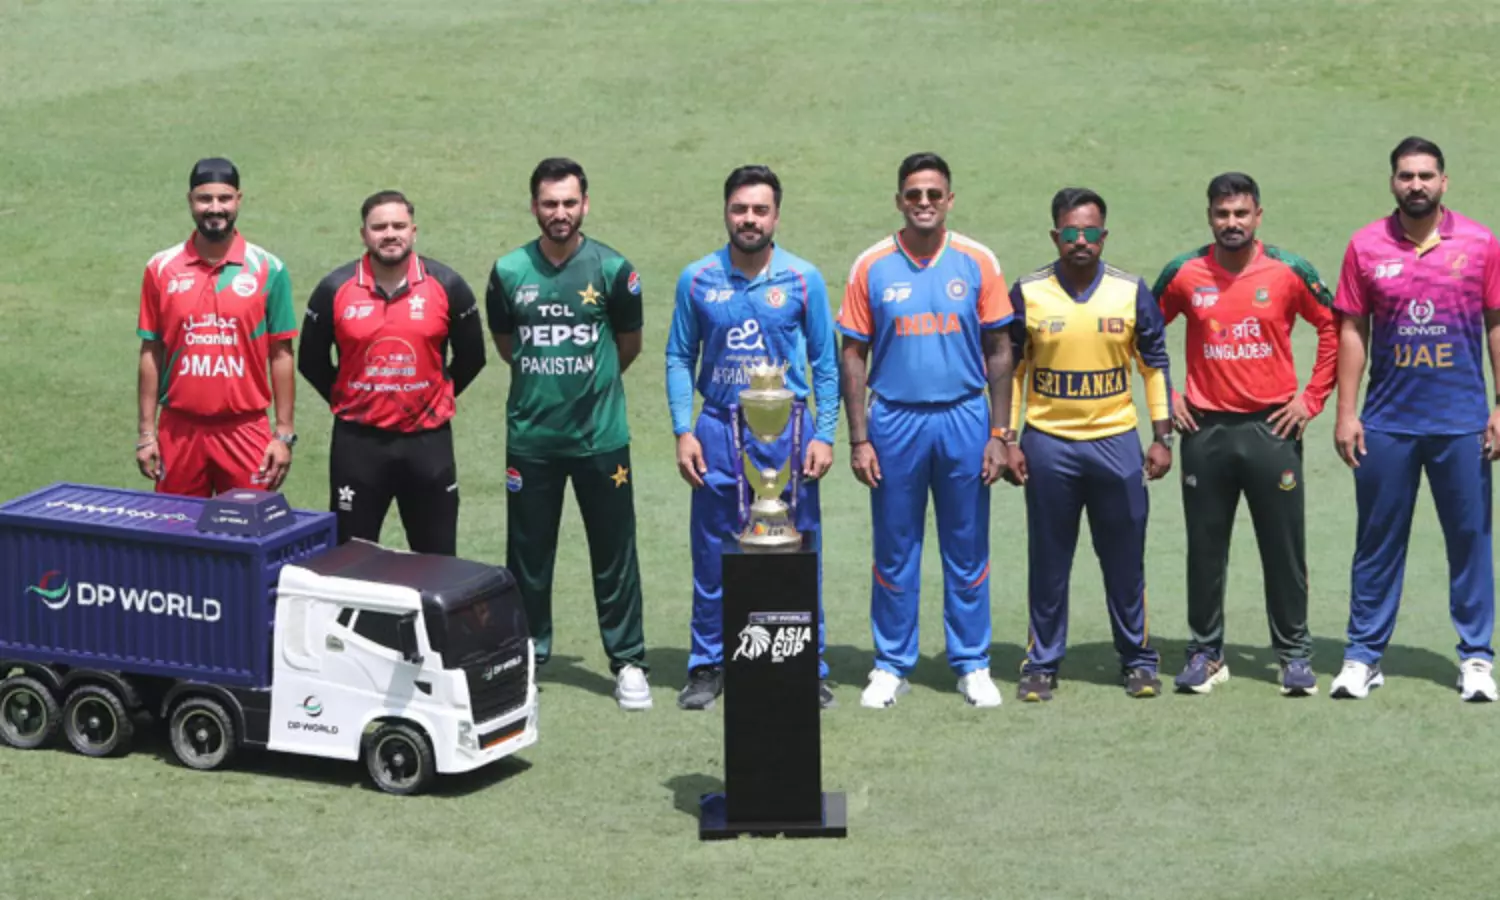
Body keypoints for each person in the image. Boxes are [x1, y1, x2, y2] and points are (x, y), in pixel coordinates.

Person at [836, 152, 1013, 710]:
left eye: (934, 194)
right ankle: (891, 664)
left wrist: (1001, 433)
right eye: (914, 194)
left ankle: (972, 663)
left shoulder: (977, 260)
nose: (924, 203)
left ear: (950, 200)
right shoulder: (872, 265)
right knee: (895, 548)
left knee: (967, 546)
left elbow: (1000, 348)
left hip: (964, 417)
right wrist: (859, 439)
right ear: (899, 201)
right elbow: (852, 354)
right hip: (894, 421)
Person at [1152, 172, 1338, 697]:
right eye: (1221, 214)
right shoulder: (1184, 273)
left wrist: (1310, 400)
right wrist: (1169, 395)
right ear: (1209, 216)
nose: (1231, 223)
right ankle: (1206, 653)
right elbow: (1143, 332)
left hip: (1271, 430)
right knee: (1205, 548)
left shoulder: (1288, 270)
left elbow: (1333, 326)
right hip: (1205, 431)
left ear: (1258, 215)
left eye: (1240, 213)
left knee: (1283, 548)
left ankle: (1294, 656)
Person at [1331, 136, 1500, 702]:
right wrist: (1347, 413)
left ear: (1444, 182)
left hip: (1462, 422)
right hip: (1387, 423)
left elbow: (1497, 324)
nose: (1417, 185)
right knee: (1377, 542)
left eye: (1426, 175)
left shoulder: (1480, 243)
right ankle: (1362, 656)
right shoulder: (1364, 245)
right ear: (1393, 183)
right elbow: (1352, 329)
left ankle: (1476, 658)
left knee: (1470, 541)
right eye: (1406, 176)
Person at [666, 164, 840, 711]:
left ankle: (805, 663)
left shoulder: (804, 279)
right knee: (713, 550)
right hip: (718, 429)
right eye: (740, 209)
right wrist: (683, 429)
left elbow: (825, 362)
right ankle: (708, 664)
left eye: (760, 210)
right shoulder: (697, 278)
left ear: (776, 216)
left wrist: (825, 434)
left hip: (790, 432)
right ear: (726, 212)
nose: (749, 219)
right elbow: (678, 356)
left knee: (798, 546)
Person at [485, 158, 651, 711]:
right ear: (534, 206)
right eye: (550, 203)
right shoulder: (508, 271)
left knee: (614, 552)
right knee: (528, 557)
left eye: (569, 203)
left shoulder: (613, 270)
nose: (560, 212)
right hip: (532, 441)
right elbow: (508, 346)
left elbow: (629, 344)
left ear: (585, 205)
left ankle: (628, 661)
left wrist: (592, 387)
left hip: (601, 440)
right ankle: (528, 658)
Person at [1007, 187, 1174, 702]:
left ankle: (1138, 661)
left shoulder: (1130, 290)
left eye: (1091, 232)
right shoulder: (1028, 292)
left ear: (1104, 236)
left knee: (1125, 560)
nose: (1081, 241)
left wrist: (1162, 435)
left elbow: (1154, 365)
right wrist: (1007, 438)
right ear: (1055, 235)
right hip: (1049, 445)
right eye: (1071, 232)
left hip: (1115, 444)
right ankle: (1041, 664)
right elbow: (1012, 371)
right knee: (1049, 561)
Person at [298, 190, 485, 557]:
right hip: (358, 445)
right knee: (350, 561)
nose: (390, 234)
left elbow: (472, 357)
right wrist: (353, 398)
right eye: (379, 227)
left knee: (437, 561)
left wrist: (432, 396)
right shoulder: (335, 289)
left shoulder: (447, 285)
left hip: (428, 444)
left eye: (399, 226)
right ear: (363, 234)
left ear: (413, 231)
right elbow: (311, 361)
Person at [136, 157, 297, 497]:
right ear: (190, 201)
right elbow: (151, 350)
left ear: (239, 199)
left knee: (248, 528)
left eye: (224, 198)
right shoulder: (161, 268)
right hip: (179, 430)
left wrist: (283, 434)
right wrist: (146, 434)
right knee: (175, 527)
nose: (215, 208)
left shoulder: (269, 268)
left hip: (245, 429)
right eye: (204, 199)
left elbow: (281, 353)